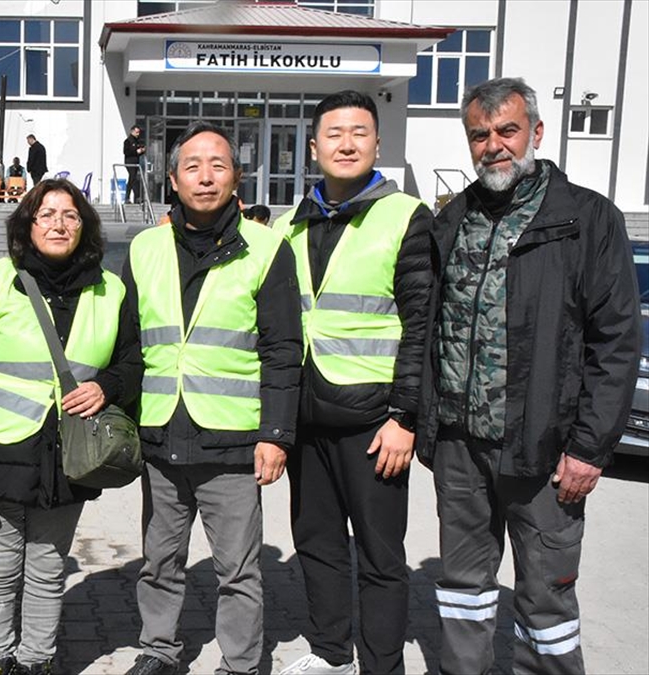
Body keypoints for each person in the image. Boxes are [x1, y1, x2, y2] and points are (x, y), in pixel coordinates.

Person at [419, 77, 639, 673]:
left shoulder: (586, 220)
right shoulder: (453, 219)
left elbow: (615, 343)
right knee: (462, 587)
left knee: (546, 599)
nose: (494, 145)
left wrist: (590, 448)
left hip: (545, 452)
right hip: (461, 448)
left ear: (536, 132)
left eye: (507, 131)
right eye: (479, 135)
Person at [0, 178, 142, 675]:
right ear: (27, 225)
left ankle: (36, 661)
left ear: (85, 226)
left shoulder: (110, 289)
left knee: (49, 569)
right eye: (46, 214)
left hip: (69, 457)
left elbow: (133, 362)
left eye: (70, 215)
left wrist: (107, 388)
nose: (58, 223)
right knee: (0, 568)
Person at [123, 121, 303, 675]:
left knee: (238, 569)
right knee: (159, 560)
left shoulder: (267, 248)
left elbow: (282, 349)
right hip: (161, 431)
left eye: (218, 165)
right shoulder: (144, 247)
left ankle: (242, 662)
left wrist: (275, 436)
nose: (206, 177)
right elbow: (129, 343)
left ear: (237, 176)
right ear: (173, 179)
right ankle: (158, 650)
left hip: (231, 438)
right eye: (193, 166)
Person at [272, 91, 434, 675]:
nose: (346, 143)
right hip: (307, 419)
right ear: (313, 147)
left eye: (359, 132)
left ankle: (382, 666)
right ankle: (330, 654)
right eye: (334, 133)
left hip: (374, 423)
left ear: (377, 144)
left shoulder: (407, 216)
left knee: (382, 557)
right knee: (316, 547)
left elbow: (423, 326)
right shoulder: (291, 222)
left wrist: (405, 418)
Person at [123, 124, 147, 204]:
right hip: (130, 162)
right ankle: (132, 197)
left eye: (139, 132)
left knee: (133, 179)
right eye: (136, 132)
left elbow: (138, 152)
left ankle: (135, 197)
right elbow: (126, 152)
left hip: (136, 162)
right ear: (132, 131)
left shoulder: (137, 141)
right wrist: (136, 151)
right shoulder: (128, 141)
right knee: (132, 178)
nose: (138, 134)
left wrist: (142, 151)